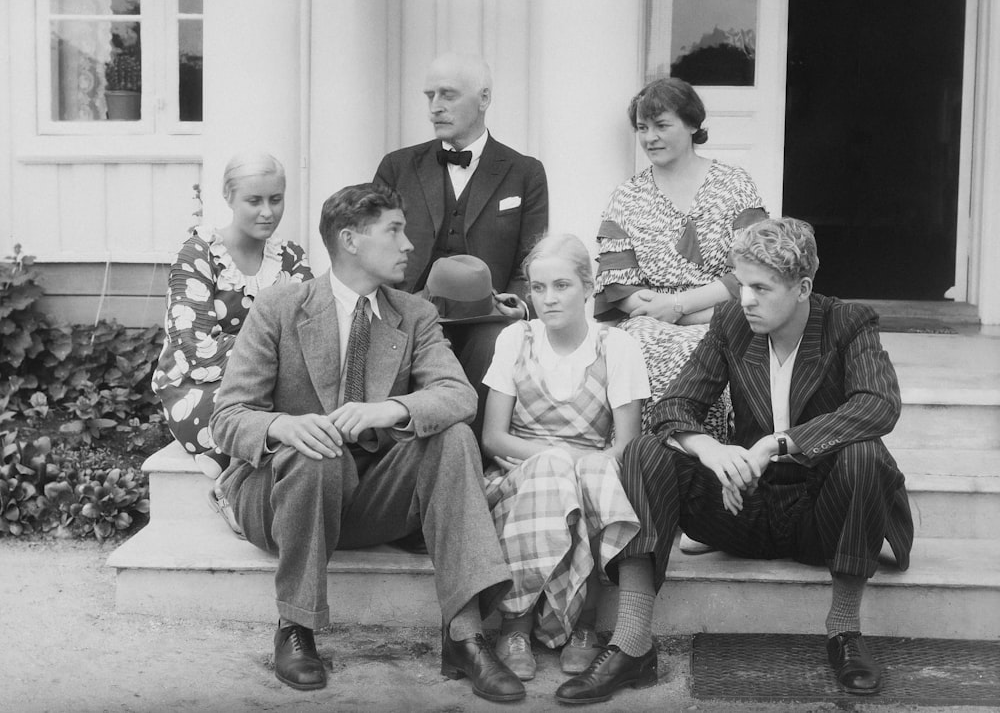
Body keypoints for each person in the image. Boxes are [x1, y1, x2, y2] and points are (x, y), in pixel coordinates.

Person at [556, 217, 914, 705]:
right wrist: (711, 450)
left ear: (803, 287)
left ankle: (845, 632)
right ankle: (632, 642)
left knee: (865, 453)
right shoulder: (731, 324)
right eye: (742, 284)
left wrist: (777, 443)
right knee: (644, 450)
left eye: (761, 288)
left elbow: (878, 404)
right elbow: (673, 407)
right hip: (747, 503)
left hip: (823, 515)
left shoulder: (848, 323)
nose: (745, 298)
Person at [209, 183, 525, 703]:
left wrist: (394, 408)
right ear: (351, 240)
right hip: (283, 495)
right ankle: (295, 628)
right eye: (394, 231)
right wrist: (282, 426)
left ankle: (464, 635)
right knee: (317, 452)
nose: (409, 246)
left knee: (453, 441)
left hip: (370, 496)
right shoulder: (279, 308)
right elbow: (228, 416)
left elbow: (457, 396)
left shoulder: (413, 313)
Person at [480, 234, 650, 681]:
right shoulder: (517, 338)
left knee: (593, 472)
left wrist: (576, 467)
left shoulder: (617, 346)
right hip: (517, 479)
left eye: (562, 286)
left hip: (588, 482)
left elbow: (625, 446)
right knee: (557, 470)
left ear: (589, 287)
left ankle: (584, 623)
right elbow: (494, 438)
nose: (548, 299)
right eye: (538, 288)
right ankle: (516, 624)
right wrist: (555, 458)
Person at [374, 52, 548, 438]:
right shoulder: (397, 167)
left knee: (500, 343)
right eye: (429, 96)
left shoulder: (525, 172)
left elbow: (531, 262)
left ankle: (476, 458)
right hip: (407, 309)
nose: (435, 107)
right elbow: (374, 250)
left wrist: (518, 305)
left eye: (448, 95)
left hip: (488, 315)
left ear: (484, 98)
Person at [594, 77, 766, 435]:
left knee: (710, 349)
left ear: (691, 125)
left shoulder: (734, 185)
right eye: (642, 128)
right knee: (635, 348)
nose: (649, 137)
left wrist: (679, 307)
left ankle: (710, 467)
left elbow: (754, 270)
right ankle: (647, 463)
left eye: (661, 125)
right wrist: (664, 311)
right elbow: (618, 286)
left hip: (723, 313)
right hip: (647, 320)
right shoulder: (626, 196)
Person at [152, 151, 312, 479]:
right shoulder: (199, 254)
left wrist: (262, 355)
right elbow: (195, 348)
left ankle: (229, 463)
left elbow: (311, 335)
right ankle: (234, 473)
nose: (268, 212)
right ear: (228, 196)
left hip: (271, 387)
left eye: (276, 199)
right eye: (254, 200)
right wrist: (276, 353)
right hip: (203, 390)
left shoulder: (291, 258)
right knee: (282, 411)